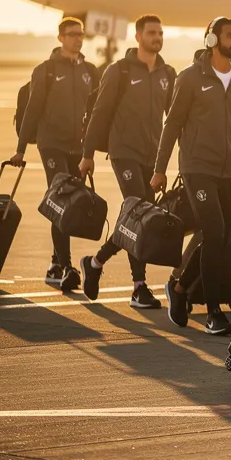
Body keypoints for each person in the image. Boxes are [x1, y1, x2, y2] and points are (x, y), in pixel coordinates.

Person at [152, 17, 231, 335]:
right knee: (214, 230)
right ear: (212, 40)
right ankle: (213, 312)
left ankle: (180, 288)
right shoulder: (190, 78)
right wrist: (159, 169)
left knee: (219, 237)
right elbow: (172, 124)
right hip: (198, 168)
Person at [78, 15, 177, 307]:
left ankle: (95, 262)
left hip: (152, 155)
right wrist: (87, 154)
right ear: (138, 37)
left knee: (139, 216)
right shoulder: (119, 71)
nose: (157, 37)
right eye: (152, 33)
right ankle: (138, 287)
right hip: (124, 152)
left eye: (160, 33)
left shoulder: (168, 73)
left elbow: (174, 119)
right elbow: (100, 113)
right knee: (140, 213)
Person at [10, 17, 98, 293]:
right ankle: (67, 266)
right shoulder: (46, 70)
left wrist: (92, 150)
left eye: (80, 34)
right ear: (60, 38)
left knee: (73, 205)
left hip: (78, 147)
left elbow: (97, 112)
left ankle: (55, 263)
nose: (77, 39)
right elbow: (32, 110)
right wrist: (21, 149)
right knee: (62, 201)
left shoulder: (90, 71)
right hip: (52, 144)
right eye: (72, 34)